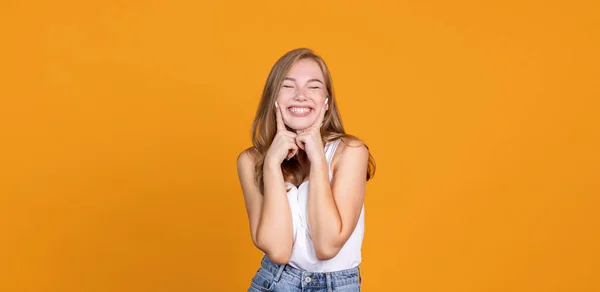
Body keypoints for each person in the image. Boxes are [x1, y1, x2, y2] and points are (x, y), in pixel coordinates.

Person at [237, 48, 376, 292]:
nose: (301, 96)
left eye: (313, 87)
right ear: (273, 98)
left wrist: (318, 160)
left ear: (327, 102)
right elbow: (278, 251)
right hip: (274, 282)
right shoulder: (252, 160)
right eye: (288, 86)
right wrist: (271, 165)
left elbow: (327, 246)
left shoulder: (351, 151)